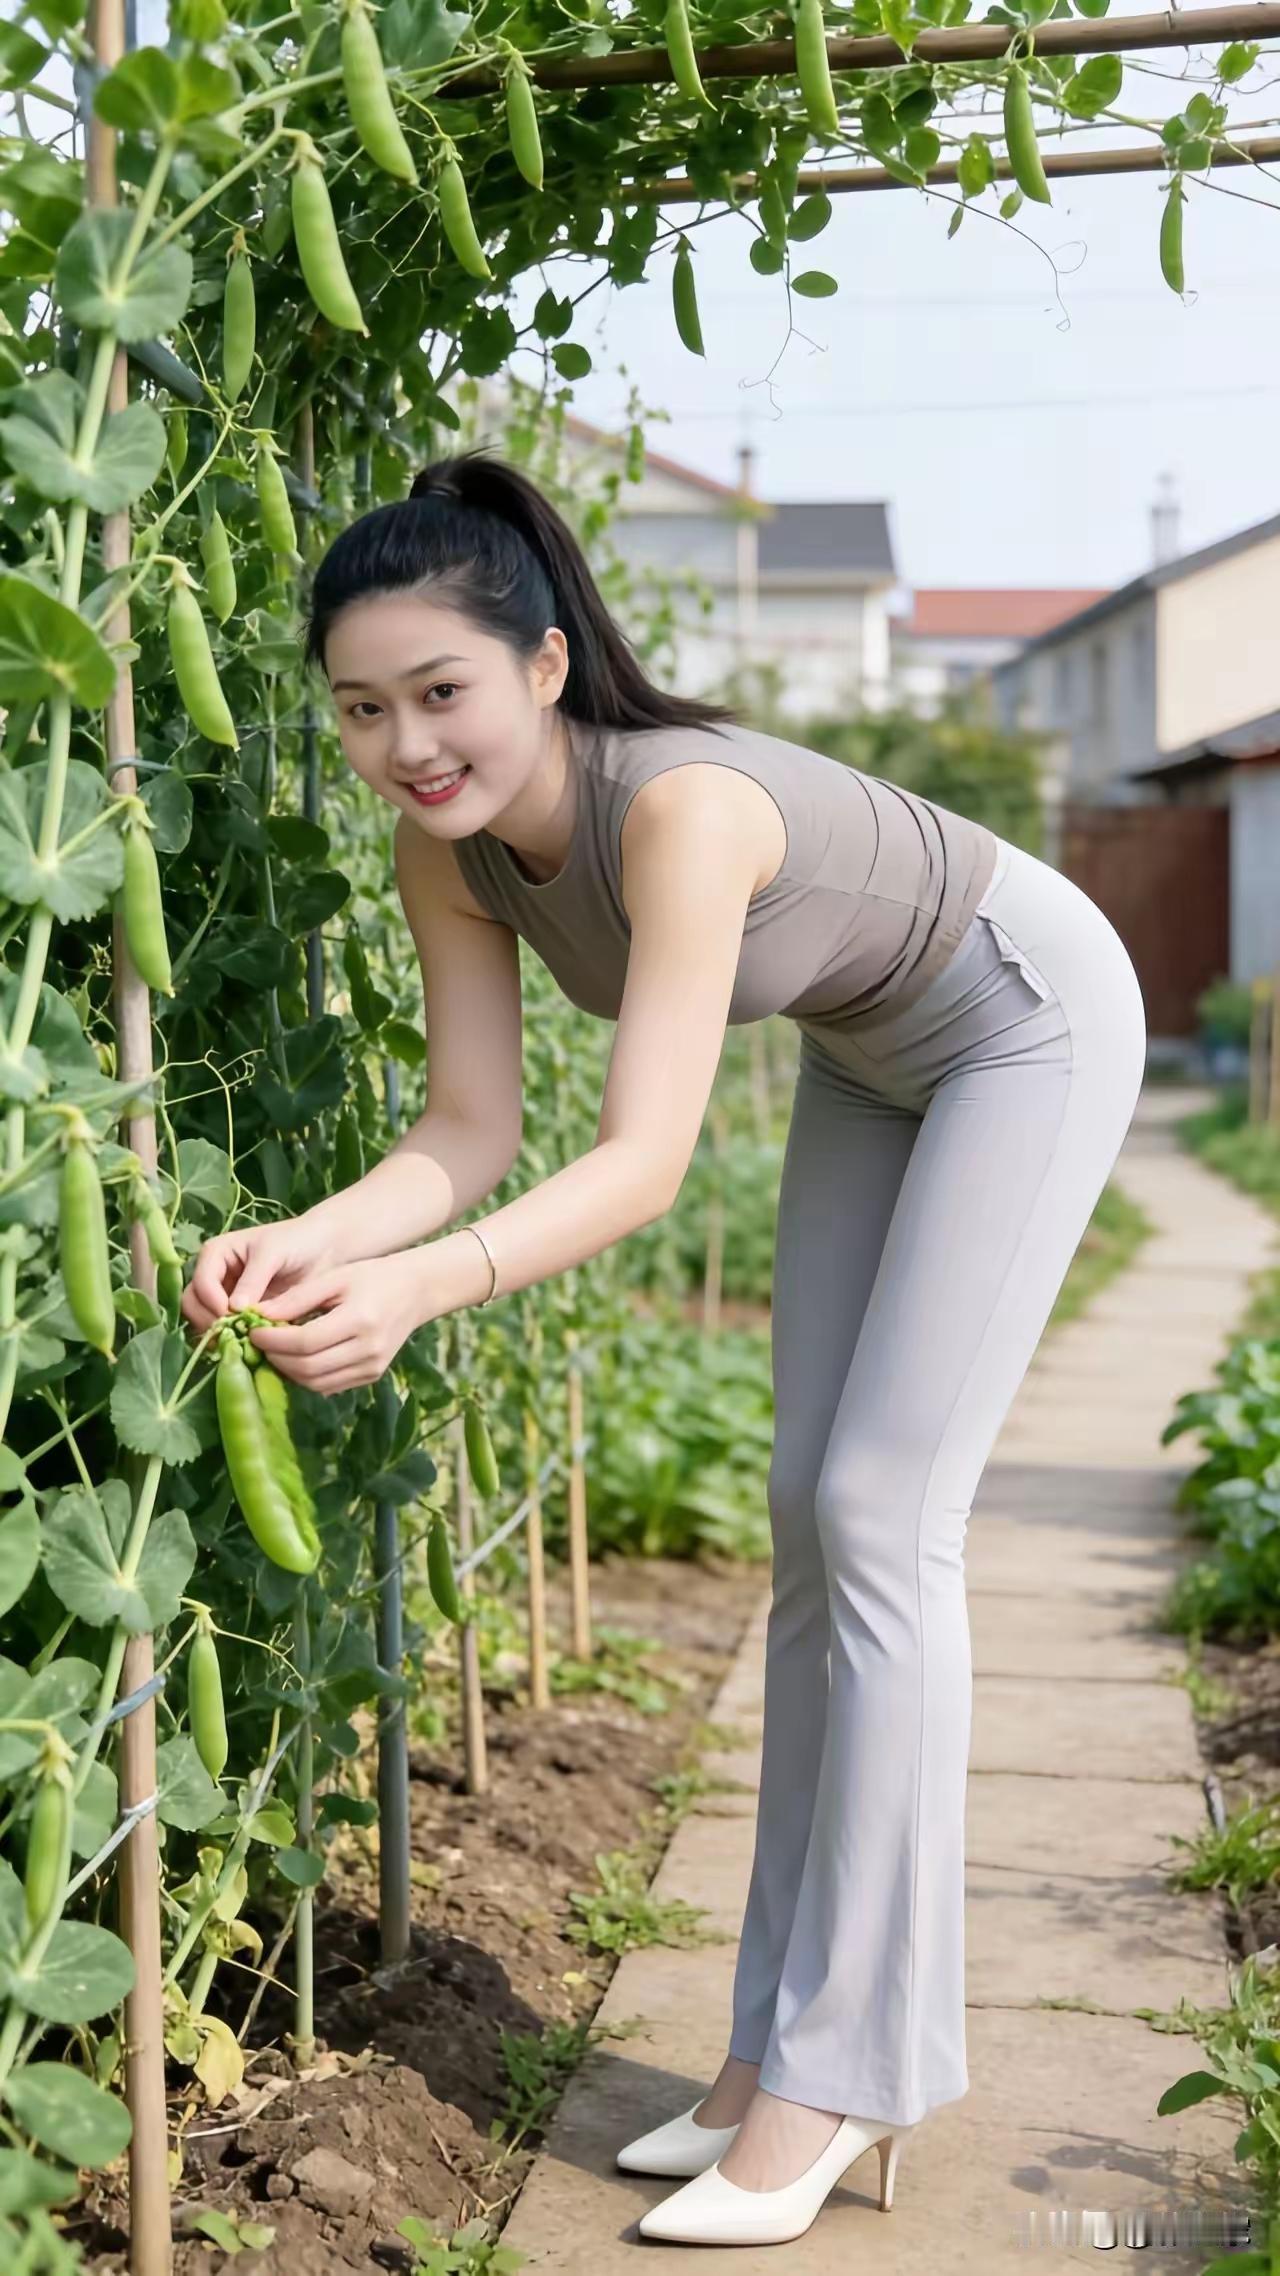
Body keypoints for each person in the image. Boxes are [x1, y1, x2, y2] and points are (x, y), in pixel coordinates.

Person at [182, 446, 1147, 2248]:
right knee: (807, 1512)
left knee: (880, 1513)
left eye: (444, 693)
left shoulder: (683, 810)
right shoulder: (445, 852)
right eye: (364, 709)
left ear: (548, 666)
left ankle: (852, 2072)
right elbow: (465, 1129)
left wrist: (422, 1291)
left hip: (1024, 1016)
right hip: (875, 1057)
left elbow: (636, 1165)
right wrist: (309, 1245)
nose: (410, 744)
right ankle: (768, 2053)